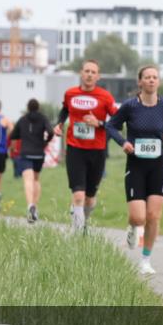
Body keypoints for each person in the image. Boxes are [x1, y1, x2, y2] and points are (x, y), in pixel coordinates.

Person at [106, 66, 163, 275]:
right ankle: (132, 228)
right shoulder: (130, 106)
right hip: (136, 166)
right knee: (138, 218)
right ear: (139, 82)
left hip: (158, 166)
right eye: (147, 77)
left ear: (159, 82)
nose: (151, 80)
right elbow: (111, 126)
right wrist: (123, 142)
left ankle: (145, 260)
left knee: (153, 216)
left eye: (154, 77)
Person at [55, 60, 119, 233]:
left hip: (97, 151)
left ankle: (83, 220)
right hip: (75, 149)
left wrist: (98, 123)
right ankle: (78, 234)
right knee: (78, 195)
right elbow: (65, 109)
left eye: (93, 72)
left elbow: (117, 122)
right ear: (81, 73)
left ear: (98, 77)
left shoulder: (105, 97)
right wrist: (59, 123)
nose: (89, 74)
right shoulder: (70, 94)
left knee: (90, 199)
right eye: (87, 71)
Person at [10, 99, 54, 224]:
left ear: (28, 107)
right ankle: (35, 205)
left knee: (27, 180)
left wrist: (13, 148)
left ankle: (30, 205)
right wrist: (46, 142)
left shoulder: (22, 119)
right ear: (38, 107)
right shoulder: (43, 118)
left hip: (26, 153)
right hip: (39, 154)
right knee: (36, 179)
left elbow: (13, 135)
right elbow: (50, 132)